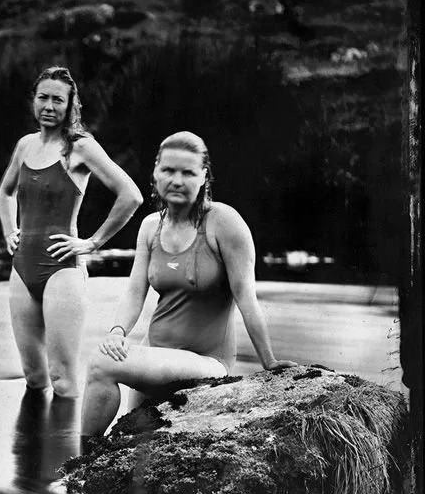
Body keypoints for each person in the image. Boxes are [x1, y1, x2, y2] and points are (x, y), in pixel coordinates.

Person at [81, 131, 297, 436]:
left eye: (188, 172)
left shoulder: (224, 223)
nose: (177, 180)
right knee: (131, 436)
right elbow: (134, 292)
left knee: (101, 362)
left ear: (203, 176)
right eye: (168, 170)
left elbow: (246, 296)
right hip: (156, 355)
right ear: (155, 173)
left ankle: (80, 456)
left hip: (206, 362)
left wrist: (269, 361)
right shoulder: (150, 227)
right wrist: (117, 333)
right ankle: (82, 467)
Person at [0, 66, 143, 398]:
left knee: (62, 379)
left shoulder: (80, 147)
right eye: (43, 97)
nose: (49, 106)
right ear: (33, 100)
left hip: (62, 270)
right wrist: (9, 230)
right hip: (22, 268)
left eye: (57, 100)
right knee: (33, 375)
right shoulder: (25, 145)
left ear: (70, 104)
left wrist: (92, 243)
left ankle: (69, 451)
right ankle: (34, 450)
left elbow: (130, 195)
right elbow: (5, 191)